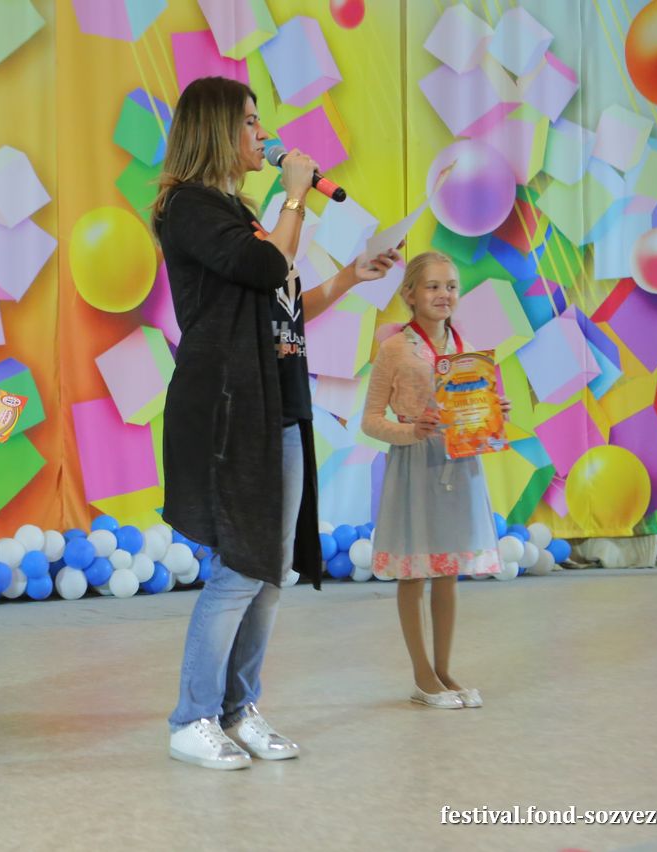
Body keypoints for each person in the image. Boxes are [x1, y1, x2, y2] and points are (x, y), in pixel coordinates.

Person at [152, 76, 400, 770]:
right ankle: (192, 717)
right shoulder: (188, 206)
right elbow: (266, 266)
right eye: (250, 123)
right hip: (229, 405)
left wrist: (350, 276)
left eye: (261, 123)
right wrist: (294, 195)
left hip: (278, 399)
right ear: (214, 130)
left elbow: (281, 301)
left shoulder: (240, 211)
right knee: (240, 567)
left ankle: (239, 707)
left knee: (270, 570)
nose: (264, 136)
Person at [361, 251, 508, 710]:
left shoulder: (468, 348)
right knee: (415, 570)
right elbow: (370, 419)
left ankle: (444, 671)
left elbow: (474, 404)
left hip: (460, 462)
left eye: (451, 286)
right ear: (410, 294)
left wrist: (492, 413)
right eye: (433, 286)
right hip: (415, 464)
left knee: (448, 571)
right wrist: (412, 431)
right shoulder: (394, 348)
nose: (444, 294)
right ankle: (422, 675)